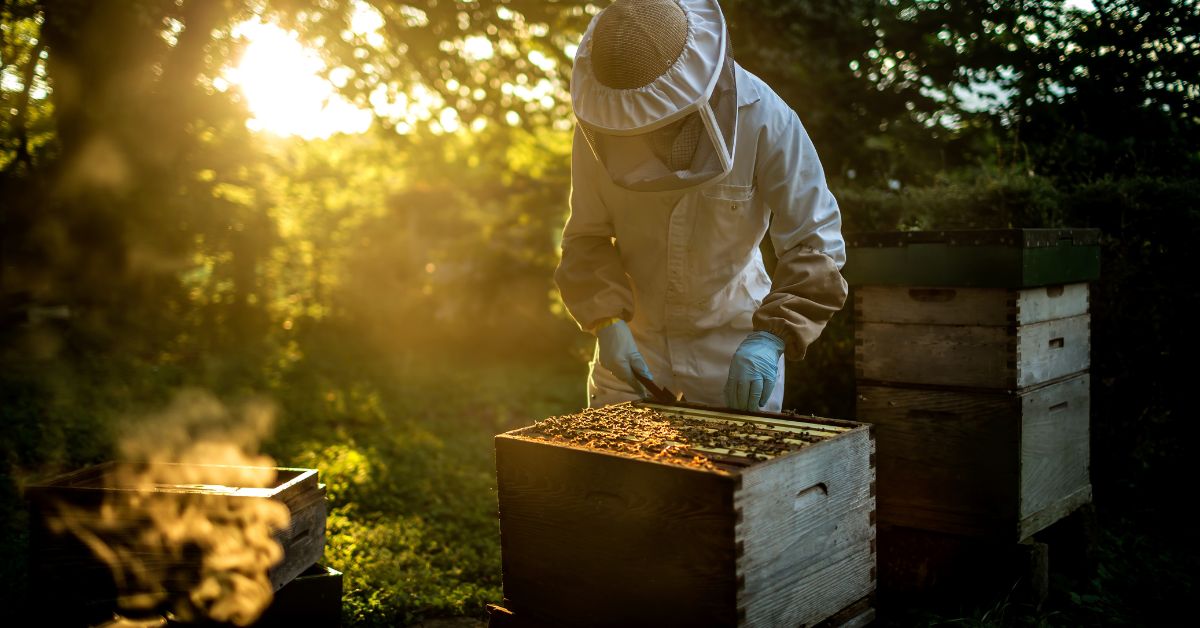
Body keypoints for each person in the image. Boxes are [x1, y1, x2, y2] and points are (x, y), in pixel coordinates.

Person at [554, 0, 848, 412]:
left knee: (743, 474)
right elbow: (586, 237)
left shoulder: (768, 119)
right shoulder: (602, 125)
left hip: (735, 344)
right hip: (636, 344)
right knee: (616, 474)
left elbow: (817, 247)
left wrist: (773, 337)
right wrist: (607, 321)